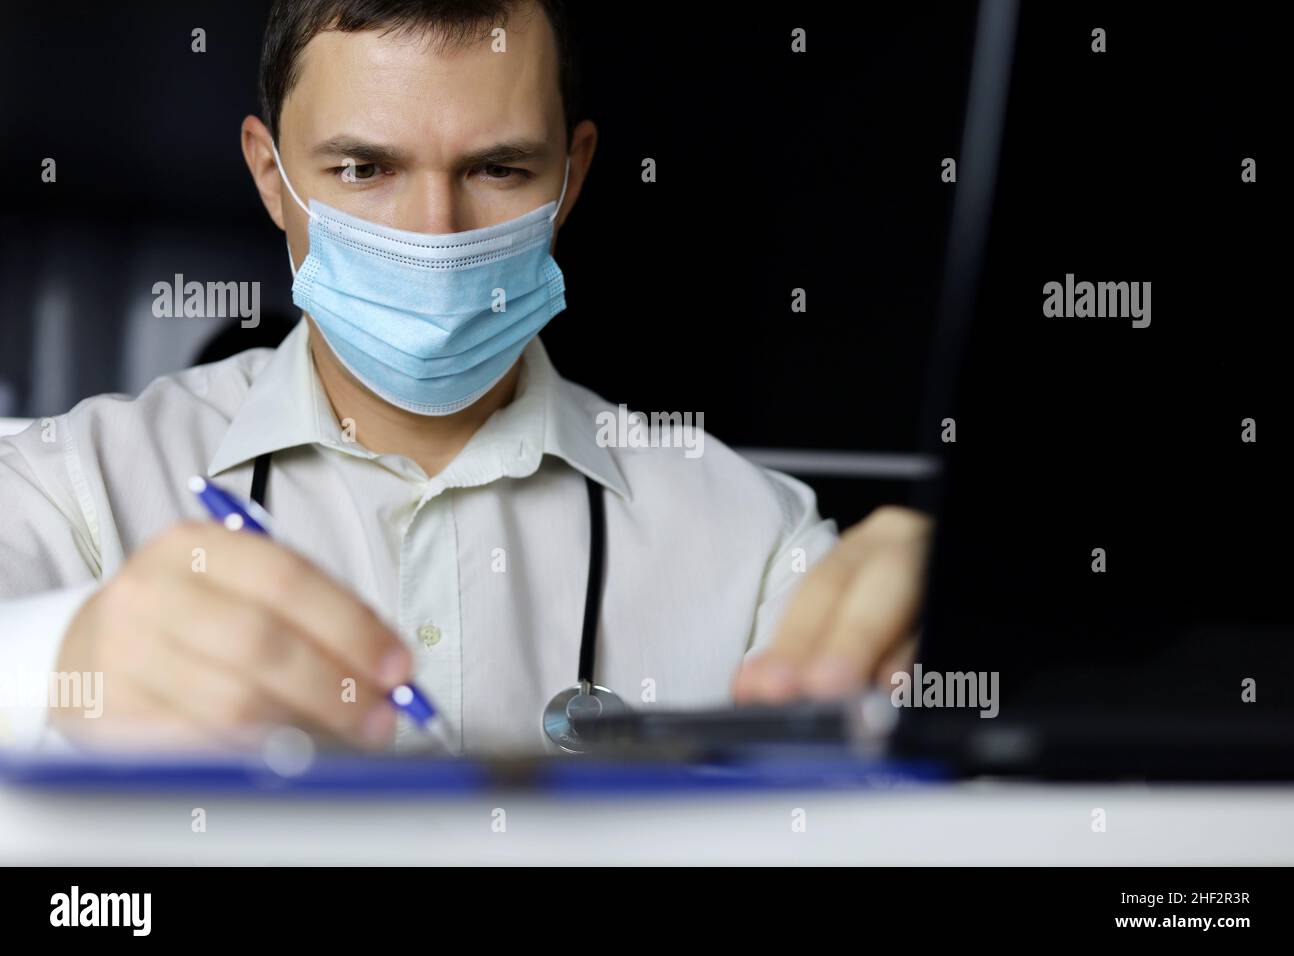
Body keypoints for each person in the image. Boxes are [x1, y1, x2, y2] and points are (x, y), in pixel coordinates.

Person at [0, 0, 930, 754]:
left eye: (498, 168)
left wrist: (984, 653)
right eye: (365, 168)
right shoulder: (73, 483)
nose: (436, 234)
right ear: (269, 174)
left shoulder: (757, 543)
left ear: (573, 176)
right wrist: (60, 661)